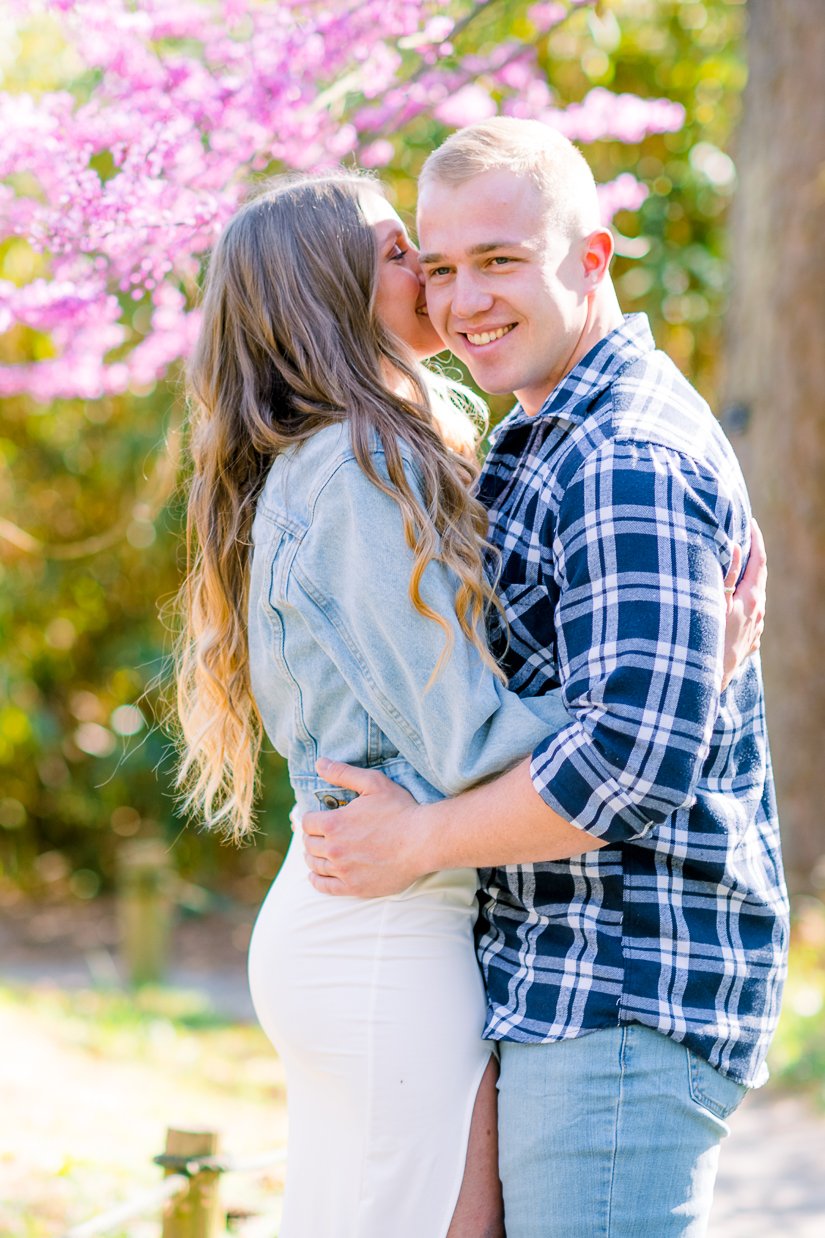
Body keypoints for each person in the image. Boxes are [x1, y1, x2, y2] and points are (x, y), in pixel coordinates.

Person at [299, 120, 789, 1237]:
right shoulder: (538, 439)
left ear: (595, 256)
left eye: (503, 260)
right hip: (558, 979)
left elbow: (629, 761)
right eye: (441, 267)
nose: (465, 299)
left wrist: (417, 838)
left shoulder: (622, 452)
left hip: (622, 985)